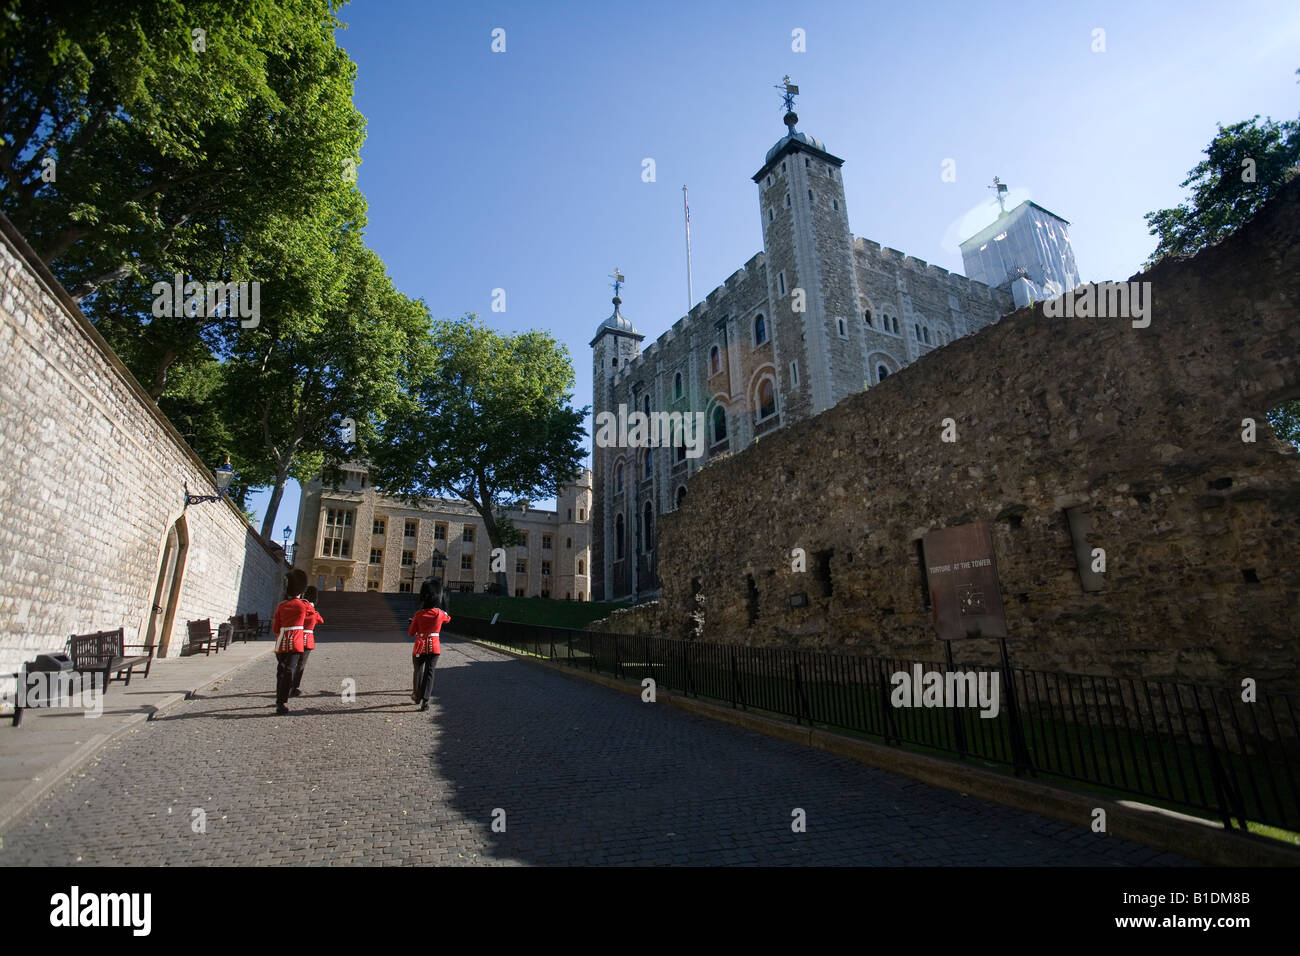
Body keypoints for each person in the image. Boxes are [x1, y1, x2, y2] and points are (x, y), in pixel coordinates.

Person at [272, 569, 311, 715]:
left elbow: (276, 628)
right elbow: (314, 616)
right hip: (296, 642)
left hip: (281, 641)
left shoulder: (281, 606)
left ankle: (279, 700)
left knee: (281, 671)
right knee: (289, 670)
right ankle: (283, 699)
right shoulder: (303, 605)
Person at [408, 579, 450, 711]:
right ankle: (425, 700)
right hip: (434, 646)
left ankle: (416, 695)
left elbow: (411, 633)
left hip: (419, 646)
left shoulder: (418, 614)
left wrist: (414, 622)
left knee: (418, 671)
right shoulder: (439, 614)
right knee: (430, 672)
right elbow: (448, 619)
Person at [292, 585, 323, 697]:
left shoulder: (298, 607)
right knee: (301, 664)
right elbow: (320, 620)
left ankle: (286, 684)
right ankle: (294, 686)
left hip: (295, 636)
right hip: (307, 638)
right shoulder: (312, 610)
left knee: (292, 663)